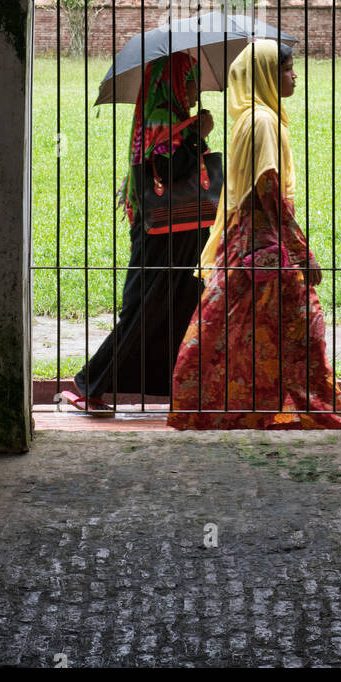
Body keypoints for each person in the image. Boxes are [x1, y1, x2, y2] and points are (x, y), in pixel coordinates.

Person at [167, 38, 341, 430]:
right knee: (300, 330)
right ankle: (311, 410)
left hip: (244, 244)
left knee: (236, 330)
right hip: (265, 247)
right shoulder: (263, 121)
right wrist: (302, 253)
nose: (294, 76)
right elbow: (269, 189)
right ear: (266, 75)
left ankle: (227, 407)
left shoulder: (252, 118)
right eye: (287, 69)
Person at [64, 51, 214, 413]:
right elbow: (167, 168)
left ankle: (183, 386)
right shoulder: (163, 118)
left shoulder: (174, 117)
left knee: (179, 305)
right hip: (161, 232)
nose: (196, 88)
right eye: (191, 79)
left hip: (183, 231)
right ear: (174, 81)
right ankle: (91, 383)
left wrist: (192, 128)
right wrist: (196, 132)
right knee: (144, 306)